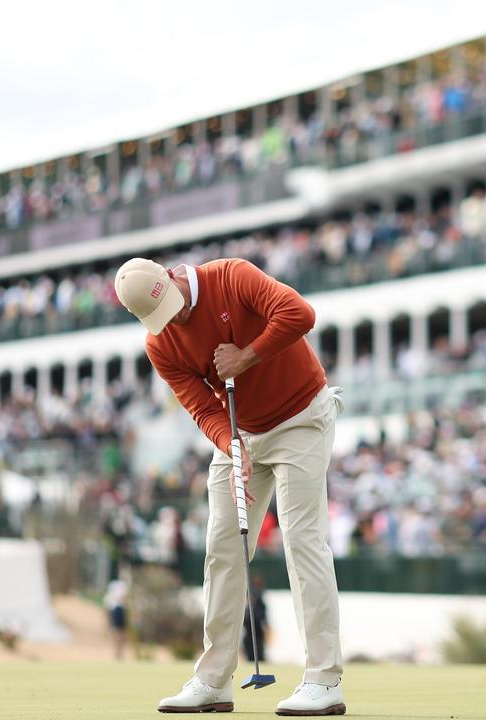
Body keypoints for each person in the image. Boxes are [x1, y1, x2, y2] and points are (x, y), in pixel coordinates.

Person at [115, 257, 346, 716]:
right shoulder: (160, 345)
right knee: (222, 548)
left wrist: (247, 355)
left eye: (175, 307)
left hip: (302, 417)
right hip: (242, 432)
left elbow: (300, 314)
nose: (175, 320)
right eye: (161, 320)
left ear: (173, 276)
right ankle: (213, 680)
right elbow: (202, 407)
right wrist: (232, 446)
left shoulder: (232, 276)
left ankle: (324, 680)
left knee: (302, 540)